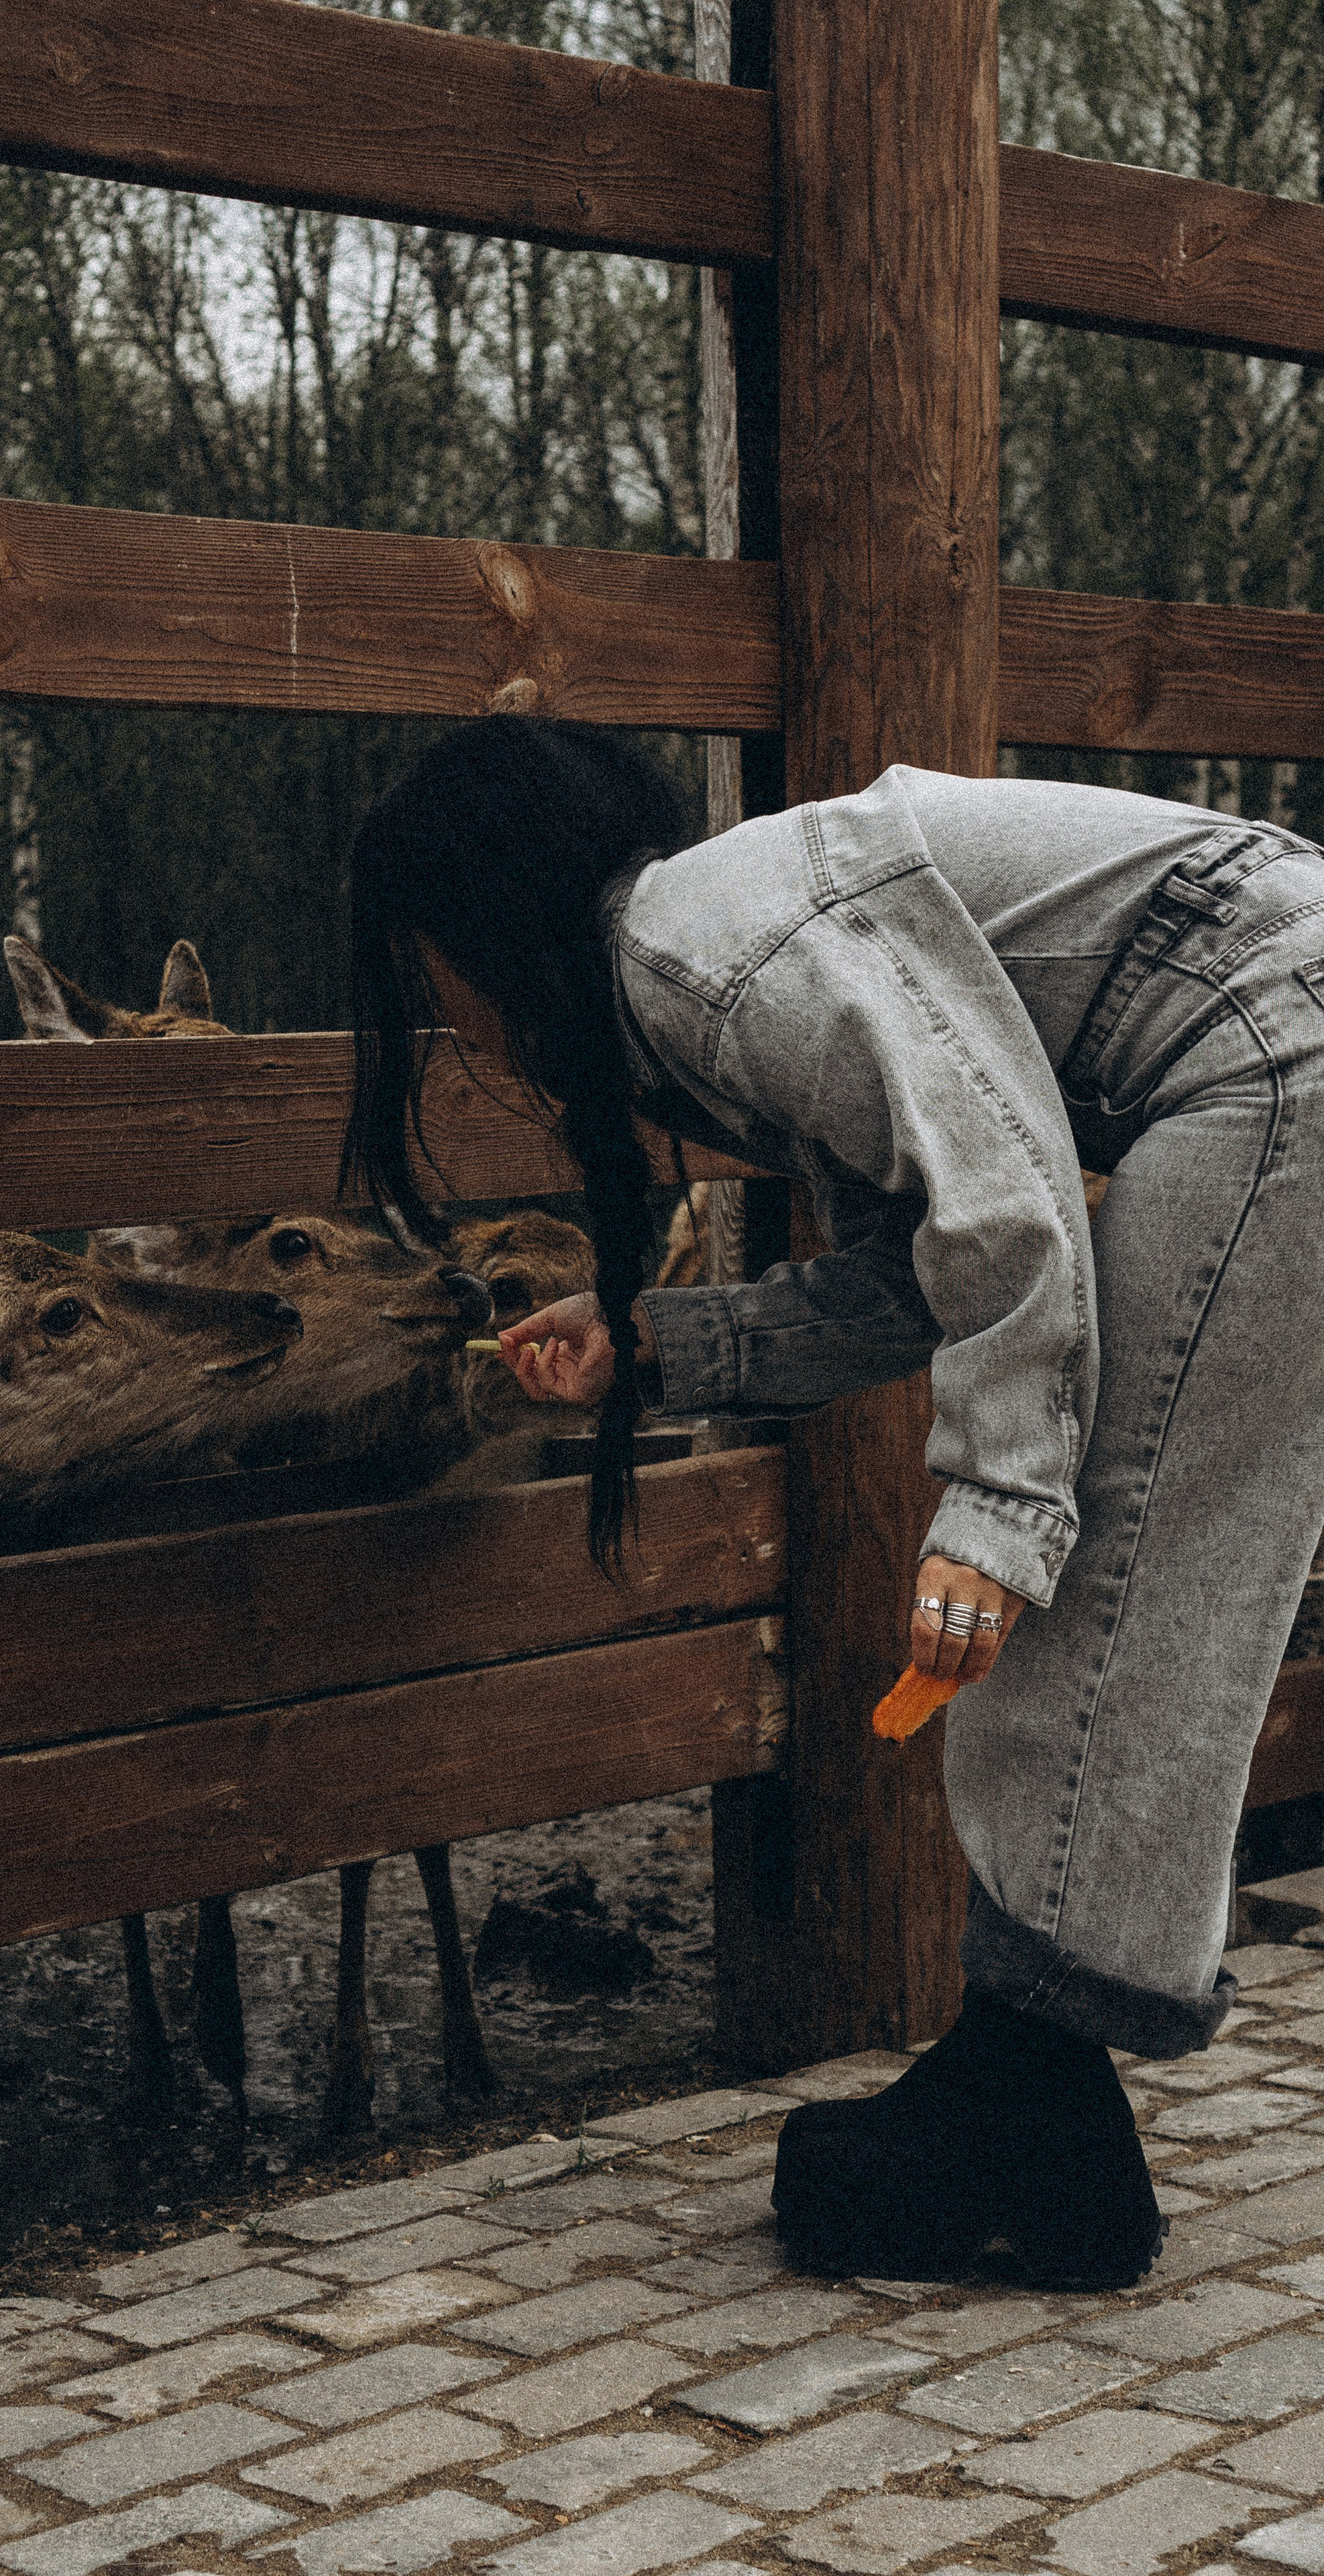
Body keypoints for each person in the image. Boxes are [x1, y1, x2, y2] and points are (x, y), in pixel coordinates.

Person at [343, 714, 1324, 2291]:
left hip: (1277, 1043)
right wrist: (659, 1344)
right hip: (1278, 1032)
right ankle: (1036, 2116)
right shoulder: (722, 949)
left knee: (1109, 1569)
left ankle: (1022, 2112)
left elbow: (1005, 1204)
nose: (440, 1018)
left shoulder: (695, 953)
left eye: (421, 969)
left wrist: (997, 1511)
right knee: (1140, 1576)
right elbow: (916, 1271)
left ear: (477, 922)